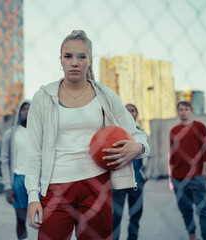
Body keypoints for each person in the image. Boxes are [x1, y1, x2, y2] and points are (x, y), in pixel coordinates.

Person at [25, 30, 150, 240]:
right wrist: (32, 197)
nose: (74, 62)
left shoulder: (105, 95)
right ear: (61, 60)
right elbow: (33, 151)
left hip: (96, 184)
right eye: (68, 56)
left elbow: (138, 135)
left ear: (89, 60)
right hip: (55, 187)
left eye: (81, 56)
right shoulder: (43, 97)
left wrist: (138, 148)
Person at [169, 101, 206, 240]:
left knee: (203, 210)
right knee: (186, 211)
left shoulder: (200, 127)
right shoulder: (174, 131)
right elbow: (172, 154)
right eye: (180, 109)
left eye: (186, 109)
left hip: (196, 176)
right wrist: (172, 175)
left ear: (191, 111)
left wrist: (204, 172)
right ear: (177, 112)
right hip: (178, 177)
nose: (183, 112)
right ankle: (192, 236)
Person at [112, 103, 148, 240]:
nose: (130, 113)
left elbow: (148, 157)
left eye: (133, 110)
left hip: (137, 180)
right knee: (116, 215)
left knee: (135, 215)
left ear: (136, 114)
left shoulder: (141, 134)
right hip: (119, 181)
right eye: (127, 111)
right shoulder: (115, 133)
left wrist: (146, 174)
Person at [1, 100, 31, 240]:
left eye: (29, 109)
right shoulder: (11, 134)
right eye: (24, 109)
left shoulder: (40, 132)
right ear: (19, 112)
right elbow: (5, 161)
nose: (27, 111)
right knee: (21, 220)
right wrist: (8, 186)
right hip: (18, 179)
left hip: (36, 179)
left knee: (43, 218)